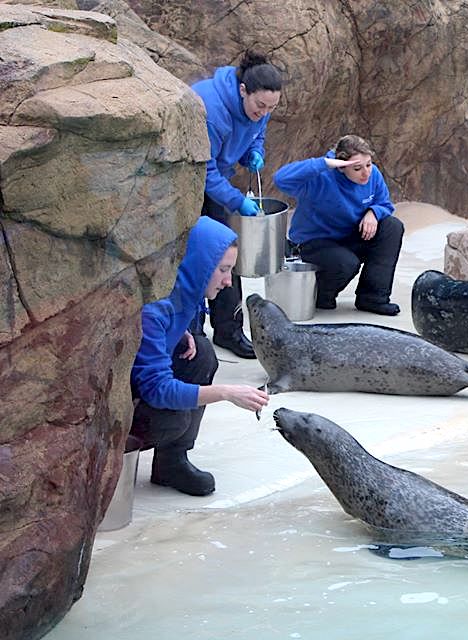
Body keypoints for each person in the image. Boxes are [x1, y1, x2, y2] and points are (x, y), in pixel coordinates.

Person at [130, 217, 270, 497]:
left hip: (144, 384)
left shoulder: (188, 292)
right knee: (173, 421)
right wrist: (226, 393)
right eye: (223, 270)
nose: (229, 281)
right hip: (126, 401)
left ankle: (171, 463)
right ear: (200, 265)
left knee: (202, 354)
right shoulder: (154, 309)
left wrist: (179, 332)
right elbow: (155, 389)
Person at [191, 51, 283, 358]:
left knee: (226, 252)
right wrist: (235, 202)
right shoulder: (212, 110)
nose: (265, 111)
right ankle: (191, 330)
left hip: (218, 181)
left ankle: (228, 330)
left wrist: (253, 152)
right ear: (243, 90)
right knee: (196, 255)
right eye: (260, 105)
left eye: (272, 107)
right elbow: (204, 170)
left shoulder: (260, 105)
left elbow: (258, 132)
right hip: (188, 182)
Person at [274, 134, 405, 316]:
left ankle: (373, 298)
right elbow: (280, 179)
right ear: (341, 167)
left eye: (368, 164)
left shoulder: (372, 175)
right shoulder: (320, 178)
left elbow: (384, 203)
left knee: (392, 227)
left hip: (349, 235)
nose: (366, 172)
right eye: (357, 168)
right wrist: (323, 163)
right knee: (345, 263)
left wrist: (373, 212)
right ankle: (319, 295)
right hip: (315, 242)